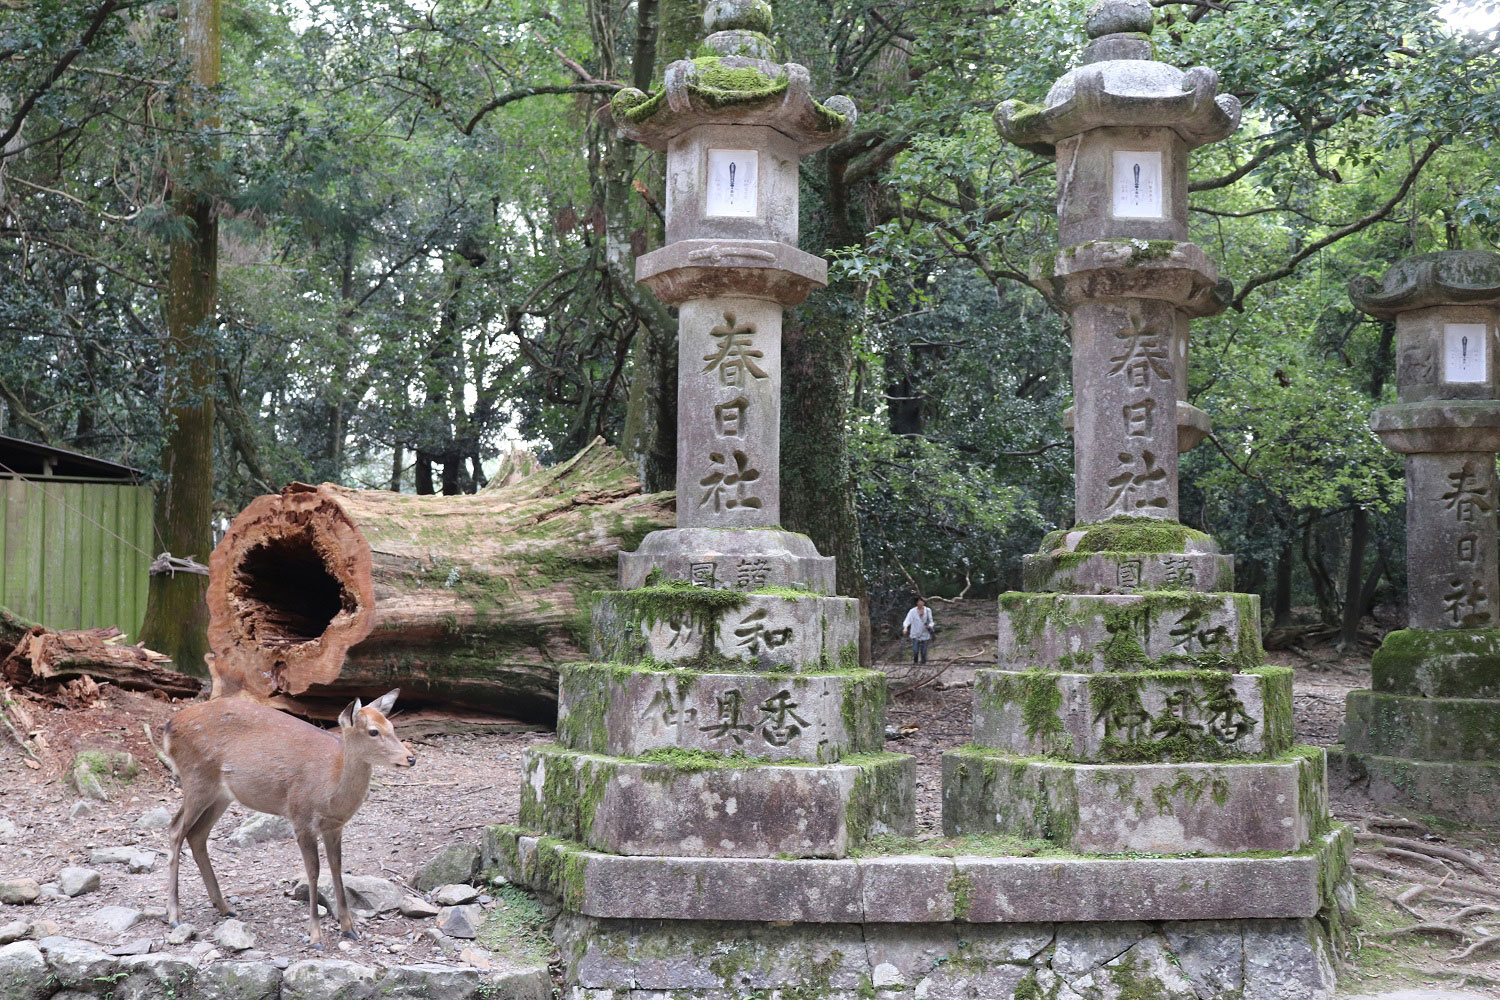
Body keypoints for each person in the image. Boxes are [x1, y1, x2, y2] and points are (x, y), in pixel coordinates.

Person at [902, 597, 935, 665]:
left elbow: (931, 621)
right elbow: (907, 620)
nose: (921, 603)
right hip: (915, 633)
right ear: (917, 602)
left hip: (925, 633)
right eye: (919, 601)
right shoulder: (912, 611)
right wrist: (905, 627)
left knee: (923, 651)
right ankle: (915, 663)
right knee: (915, 650)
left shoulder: (928, 610)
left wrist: (930, 626)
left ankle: (923, 664)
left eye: (922, 601)